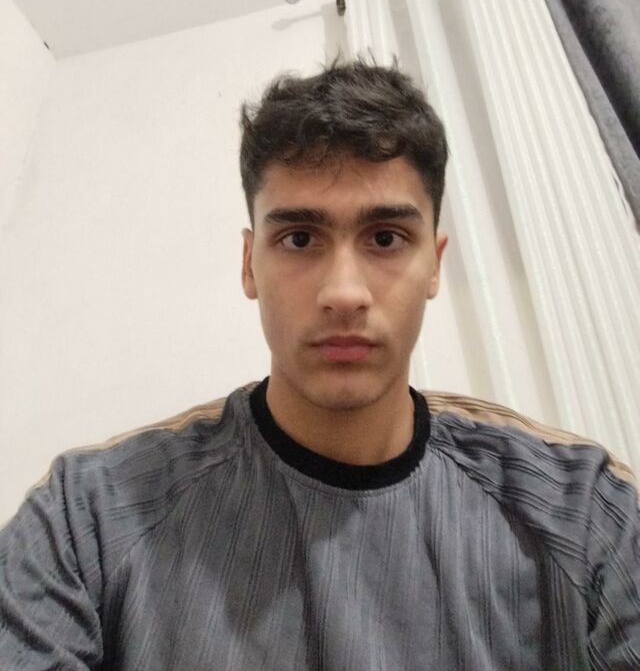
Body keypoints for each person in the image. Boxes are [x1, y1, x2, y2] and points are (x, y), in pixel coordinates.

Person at [0, 59, 638, 670]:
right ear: (249, 264)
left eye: (385, 238)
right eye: (299, 238)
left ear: (434, 264)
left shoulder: (583, 509)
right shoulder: (88, 516)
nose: (344, 292)